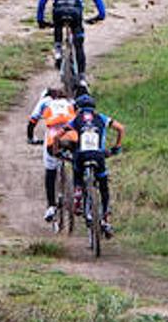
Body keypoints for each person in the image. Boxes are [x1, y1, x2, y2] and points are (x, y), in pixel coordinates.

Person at [49, 94, 124, 238]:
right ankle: (105, 219)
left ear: (78, 108)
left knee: (77, 171)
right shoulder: (102, 118)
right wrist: (117, 147)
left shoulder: (76, 119)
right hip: (98, 156)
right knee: (103, 186)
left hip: (81, 156)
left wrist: (56, 151)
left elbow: (58, 136)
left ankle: (78, 192)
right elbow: (120, 128)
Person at [35, 0, 106, 83]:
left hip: (59, 12)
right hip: (75, 12)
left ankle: (57, 48)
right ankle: (82, 77)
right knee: (79, 45)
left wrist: (40, 20)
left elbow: (42, 1)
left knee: (58, 22)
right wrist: (101, 14)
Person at [25, 85, 77, 225]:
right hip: (71, 137)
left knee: (50, 170)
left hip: (53, 139)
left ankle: (51, 206)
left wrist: (31, 138)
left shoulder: (45, 102)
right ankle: (80, 193)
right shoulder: (70, 102)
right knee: (77, 162)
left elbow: (32, 121)